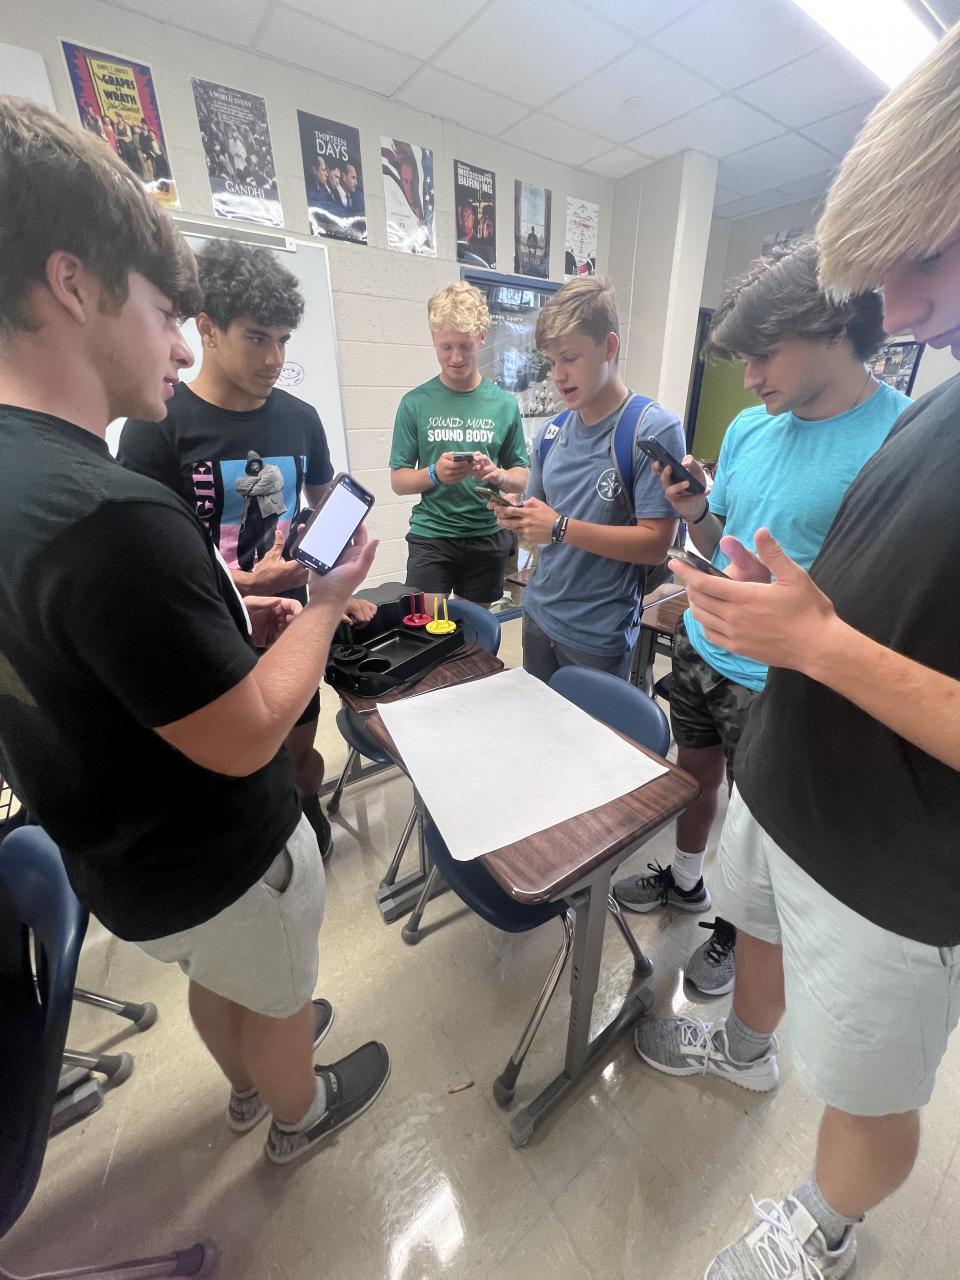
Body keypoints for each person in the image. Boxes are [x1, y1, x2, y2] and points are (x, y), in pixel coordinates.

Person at [0, 97, 389, 1166]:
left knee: (224, 979)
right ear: (74, 283)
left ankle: (251, 1083)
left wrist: (216, 609)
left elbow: (104, 650)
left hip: (123, 863)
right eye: (167, 311)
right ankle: (299, 1112)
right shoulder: (111, 507)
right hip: (216, 853)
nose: (177, 341)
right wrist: (323, 603)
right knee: (275, 990)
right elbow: (249, 729)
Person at [635, 24, 960, 1278]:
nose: (900, 305)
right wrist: (738, 594)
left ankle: (826, 1224)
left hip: (897, 849)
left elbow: (837, 628)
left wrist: (813, 638)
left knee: (869, 1087)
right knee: (752, 933)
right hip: (784, 773)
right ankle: (745, 1048)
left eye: (924, 255)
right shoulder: (938, 412)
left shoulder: (896, 411)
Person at [613, 241, 908, 997]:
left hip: (785, 682)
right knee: (694, 774)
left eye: (765, 355)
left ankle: (735, 932)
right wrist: (695, 512)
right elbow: (725, 542)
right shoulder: (750, 427)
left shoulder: (898, 440)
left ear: (834, 326)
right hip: (704, 645)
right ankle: (686, 880)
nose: (749, 378)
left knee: (762, 826)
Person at [119, 239, 375, 860]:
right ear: (207, 329)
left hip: (293, 626)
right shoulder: (158, 426)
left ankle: (304, 820)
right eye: (258, 338)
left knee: (298, 755)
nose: (274, 359)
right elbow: (148, 569)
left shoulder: (301, 418)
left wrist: (334, 589)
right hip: (210, 630)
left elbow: (323, 506)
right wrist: (241, 585)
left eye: (283, 340)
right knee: (236, 775)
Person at [495, 276, 682, 682]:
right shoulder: (551, 433)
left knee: (588, 725)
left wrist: (560, 527)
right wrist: (518, 517)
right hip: (539, 613)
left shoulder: (651, 430)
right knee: (539, 718)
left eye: (569, 358)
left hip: (597, 634)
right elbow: (540, 525)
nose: (558, 375)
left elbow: (656, 546)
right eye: (552, 362)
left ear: (609, 347)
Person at [389, 281, 529, 608]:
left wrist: (498, 475)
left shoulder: (504, 404)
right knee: (427, 630)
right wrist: (435, 474)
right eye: (446, 346)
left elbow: (521, 477)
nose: (455, 357)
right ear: (434, 340)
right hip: (432, 535)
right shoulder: (415, 403)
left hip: (486, 535)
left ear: (482, 338)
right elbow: (399, 481)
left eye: (465, 346)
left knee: (474, 630)